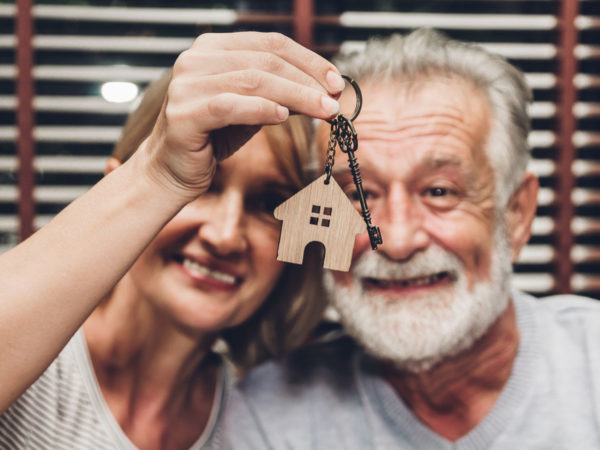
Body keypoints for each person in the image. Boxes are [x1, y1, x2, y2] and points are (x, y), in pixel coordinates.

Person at [223, 28, 600, 448]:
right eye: (357, 194)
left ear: (516, 215)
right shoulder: (268, 416)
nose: (397, 242)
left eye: (439, 192)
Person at [0, 32, 346, 448]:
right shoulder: (33, 358)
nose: (224, 236)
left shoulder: (260, 423)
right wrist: (157, 174)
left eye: (269, 203)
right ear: (120, 185)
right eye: (202, 186)